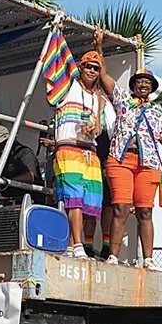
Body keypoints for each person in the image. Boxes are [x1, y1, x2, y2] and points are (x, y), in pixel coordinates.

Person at [104, 70, 162, 268]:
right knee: (120, 208)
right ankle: (113, 256)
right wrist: (99, 54)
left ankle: (148, 259)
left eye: (147, 82)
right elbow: (105, 78)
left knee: (145, 211)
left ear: (152, 87)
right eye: (139, 81)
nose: (143, 85)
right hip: (121, 159)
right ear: (133, 85)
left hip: (148, 164)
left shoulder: (158, 112)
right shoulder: (123, 100)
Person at [50, 48, 116, 259]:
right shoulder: (67, 86)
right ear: (81, 67)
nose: (92, 70)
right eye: (88, 66)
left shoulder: (98, 98)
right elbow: (57, 64)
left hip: (90, 151)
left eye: (96, 68)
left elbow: (99, 129)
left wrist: (94, 128)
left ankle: (72, 245)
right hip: (69, 147)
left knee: (89, 203)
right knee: (74, 199)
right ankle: (78, 245)